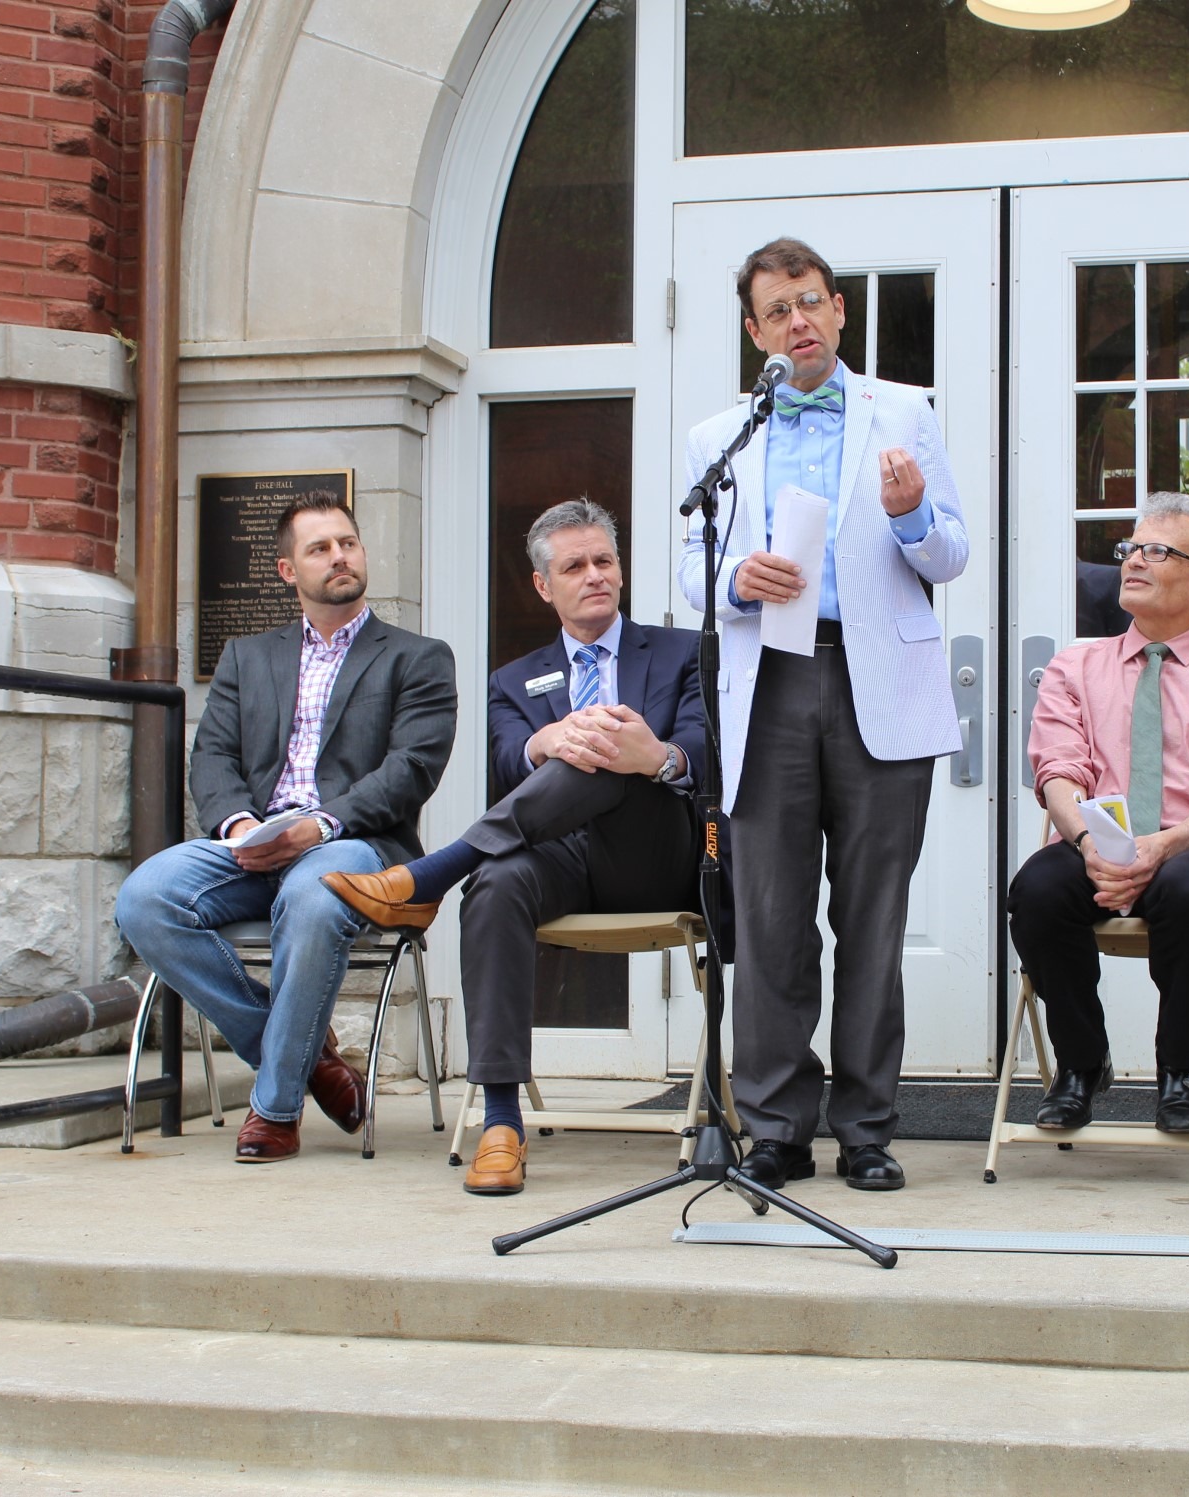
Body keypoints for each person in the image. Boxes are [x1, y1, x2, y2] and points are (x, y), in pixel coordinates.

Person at [676, 236, 969, 1192]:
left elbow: (949, 559)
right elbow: (690, 571)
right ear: (755, 332)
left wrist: (913, 513)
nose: (797, 321)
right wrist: (735, 579)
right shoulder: (724, 433)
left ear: (839, 310)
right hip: (769, 683)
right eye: (776, 311)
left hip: (875, 680)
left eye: (810, 302)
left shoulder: (905, 412)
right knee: (767, 921)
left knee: (873, 918)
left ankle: (868, 1128)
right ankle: (775, 1127)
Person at [322, 500, 707, 1195]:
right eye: (575, 565)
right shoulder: (512, 677)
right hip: (559, 857)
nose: (595, 575)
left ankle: (429, 876)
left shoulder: (682, 652)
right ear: (542, 585)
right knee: (497, 882)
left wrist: (653, 754)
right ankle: (500, 1123)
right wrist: (542, 741)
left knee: (605, 749)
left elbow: (707, 753)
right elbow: (506, 764)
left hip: (654, 855)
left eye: (604, 560)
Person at [114, 495, 457, 1163]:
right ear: (285, 568)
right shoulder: (247, 657)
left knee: (311, 895)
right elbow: (211, 756)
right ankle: (310, 1058)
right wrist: (242, 825)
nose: (340, 556)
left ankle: (275, 1106)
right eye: (320, 548)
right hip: (253, 844)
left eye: (348, 543)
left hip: (356, 841)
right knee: (144, 899)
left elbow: (411, 769)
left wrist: (317, 825)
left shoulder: (416, 657)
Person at [1008, 495, 1189, 1136]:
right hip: (1094, 845)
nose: (1134, 559)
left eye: (1158, 550)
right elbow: (1058, 773)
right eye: (1131, 547)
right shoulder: (1075, 666)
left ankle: (1180, 1072)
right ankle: (1081, 1062)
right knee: (1038, 889)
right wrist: (1086, 843)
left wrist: (1161, 848)